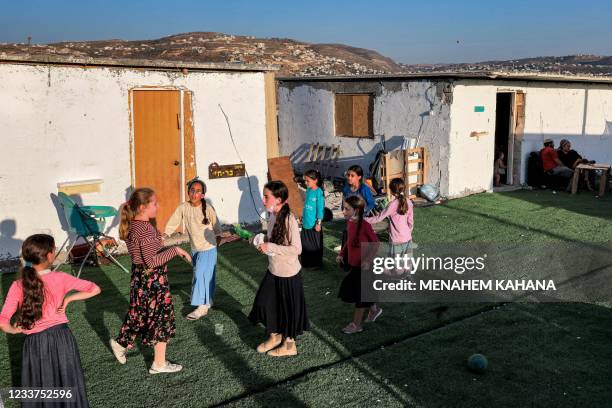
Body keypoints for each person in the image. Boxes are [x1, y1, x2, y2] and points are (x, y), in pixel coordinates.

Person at [0, 234, 101, 407]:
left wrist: (14, 329)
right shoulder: (60, 277)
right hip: (62, 340)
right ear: (49, 255)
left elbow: (3, 320)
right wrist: (68, 299)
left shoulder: (18, 284)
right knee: (68, 384)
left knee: (40, 388)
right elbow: (95, 289)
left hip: (34, 345)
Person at [110, 188, 192, 374]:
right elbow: (152, 261)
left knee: (139, 315)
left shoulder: (135, 225)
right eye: (154, 203)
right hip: (152, 280)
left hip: (140, 278)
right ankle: (159, 363)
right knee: (161, 318)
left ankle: (121, 343)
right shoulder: (145, 229)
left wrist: (160, 242)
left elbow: (147, 253)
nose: (158, 206)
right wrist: (176, 250)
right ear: (142, 207)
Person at [248, 181, 309, 357]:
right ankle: (275, 336)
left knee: (288, 310)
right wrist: (260, 241)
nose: (263, 199)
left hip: (289, 274)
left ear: (279, 199)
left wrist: (270, 247)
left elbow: (297, 249)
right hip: (274, 270)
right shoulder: (273, 215)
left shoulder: (289, 218)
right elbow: (272, 240)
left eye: (266, 196)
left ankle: (289, 347)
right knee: (263, 303)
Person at [165, 178, 222, 320]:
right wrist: (165, 234)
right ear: (188, 191)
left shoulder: (208, 208)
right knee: (205, 276)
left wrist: (217, 241)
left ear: (202, 195)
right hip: (195, 249)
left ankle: (201, 307)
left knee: (200, 275)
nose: (194, 194)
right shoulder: (183, 207)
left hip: (209, 248)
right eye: (192, 190)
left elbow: (217, 227)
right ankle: (207, 300)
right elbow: (174, 221)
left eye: (198, 191)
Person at [336, 195, 380, 334]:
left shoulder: (365, 225)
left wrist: (367, 260)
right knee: (355, 290)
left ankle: (356, 325)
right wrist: (342, 254)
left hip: (366, 266)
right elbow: (349, 242)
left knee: (359, 295)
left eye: (346, 209)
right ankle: (374, 309)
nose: (343, 211)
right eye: (343, 208)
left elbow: (375, 243)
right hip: (355, 265)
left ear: (356, 211)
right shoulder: (350, 223)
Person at [365, 178, 414, 278]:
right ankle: (406, 275)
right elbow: (410, 221)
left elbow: (378, 218)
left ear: (391, 190)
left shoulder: (392, 205)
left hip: (396, 238)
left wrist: (364, 219)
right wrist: (408, 232)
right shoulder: (408, 202)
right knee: (406, 259)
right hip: (407, 237)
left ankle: (400, 277)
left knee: (397, 262)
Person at [300, 169, 325, 268]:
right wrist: (303, 216)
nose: (305, 183)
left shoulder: (319, 192)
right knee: (305, 244)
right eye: (305, 181)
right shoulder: (309, 190)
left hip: (314, 224)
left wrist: (318, 223)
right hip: (306, 222)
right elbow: (306, 205)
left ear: (316, 180)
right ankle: (306, 263)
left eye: (307, 181)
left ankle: (315, 264)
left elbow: (320, 209)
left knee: (314, 245)